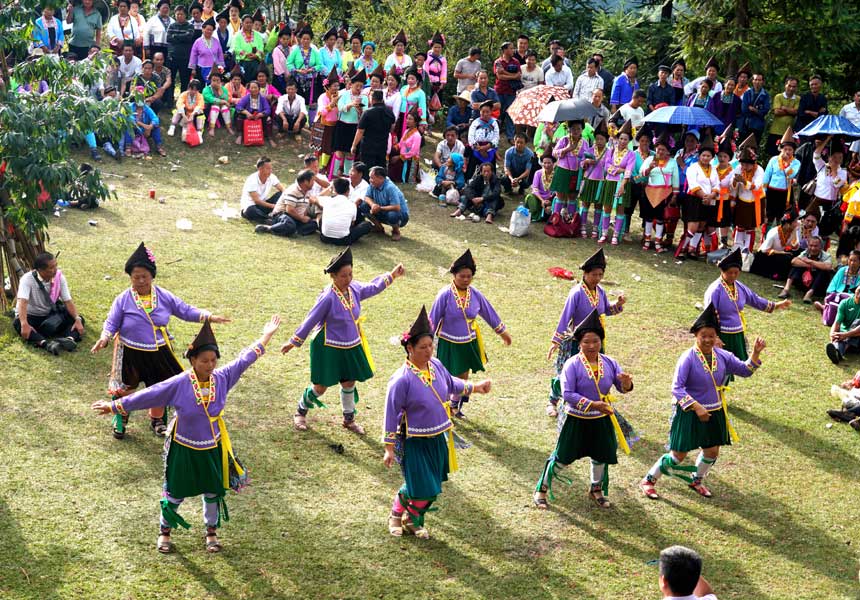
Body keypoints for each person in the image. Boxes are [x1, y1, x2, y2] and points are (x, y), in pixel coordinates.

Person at [91, 315, 280, 554]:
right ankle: (164, 532)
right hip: (183, 447)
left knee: (212, 492)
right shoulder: (179, 383)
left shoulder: (222, 378)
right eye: (204, 361)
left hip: (212, 446)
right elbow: (148, 395)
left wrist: (267, 335)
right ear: (192, 360)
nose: (210, 365)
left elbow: (246, 358)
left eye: (213, 360)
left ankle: (211, 533)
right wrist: (114, 406)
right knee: (175, 493)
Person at [90, 242, 230, 438]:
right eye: (135, 277)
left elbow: (185, 310)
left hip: (158, 351)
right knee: (125, 388)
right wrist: (104, 338)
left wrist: (208, 316)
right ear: (130, 277)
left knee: (160, 387)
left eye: (144, 277)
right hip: (130, 352)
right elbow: (112, 322)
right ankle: (120, 420)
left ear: (152, 277)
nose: (140, 281)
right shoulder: (123, 299)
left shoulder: (163, 296)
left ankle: (157, 420)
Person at [382, 306, 492, 539]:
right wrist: (389, 448)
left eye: (431, 345)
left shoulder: (436, 365)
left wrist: (476, 387)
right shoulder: (401, 380)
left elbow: (452, 384)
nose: (429, 351)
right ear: (409, 348)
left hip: (439, 436)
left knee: (432, 484)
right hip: (414, 440)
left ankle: (412, 520)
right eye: (423, 347)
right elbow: (391, 413)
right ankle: (395, 515)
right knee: (420, 485)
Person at [640, 304, 766, 500]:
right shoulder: (687, 358)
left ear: (717, 337)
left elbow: (745, 370)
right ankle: (649, 480)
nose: (707, 339)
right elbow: (677, 388)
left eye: (711, 336)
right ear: (696, 336)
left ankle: (696, 480)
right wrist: (697, 407)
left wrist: (755, 354)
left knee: (712, 451)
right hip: (688, 411)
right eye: (703, 336)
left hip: (714, 410)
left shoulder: (722, 356)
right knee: (678, 455)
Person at [283, 248, 405, 433]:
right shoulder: (328, 297)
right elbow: (311, 319)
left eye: (350, 274)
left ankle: (349, 419)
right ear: (332, 276)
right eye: (343, 276)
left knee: (349, 382)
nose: (347, 279)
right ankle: (300, 411)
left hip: (351, 344)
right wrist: (294, 341)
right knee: (321, 386)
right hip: (328, 346)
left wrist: (392, 276)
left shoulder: (354, 288)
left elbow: (372, 287)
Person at [534, 309, 634, 509]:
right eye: (586, 341)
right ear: (579, 343)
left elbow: (622, 388)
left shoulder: (610, 363)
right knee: (562, 457)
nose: (591, 345)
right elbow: (568, 394)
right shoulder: (572, 364)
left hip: (601, 419)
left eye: (595, 341)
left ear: (601, 342)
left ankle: (596, 489)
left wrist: (627, 384)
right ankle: (541, 489)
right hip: (577, 419)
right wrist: (594, 404)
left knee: (600, 455)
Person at [428, 250, 511, 418]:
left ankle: (454, 405)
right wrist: (424, 341)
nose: (466, 280)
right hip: (448, 342)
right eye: (462, 276)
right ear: (454, 275)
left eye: (469, 276)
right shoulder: (444, 294)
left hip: (468, 342)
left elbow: (489, 313)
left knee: (463, 375)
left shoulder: (475, 294)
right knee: (445, 376)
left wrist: (503, 334)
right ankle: (441, 408)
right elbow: (433, 318)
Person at [546, 248, 625, 416]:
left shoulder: (601, 291)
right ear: (585, 274)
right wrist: (556, 341)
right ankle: (552, 401)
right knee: (565, 374)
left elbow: (606, 311)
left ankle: (593, 402)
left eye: (600, 275)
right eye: (594, 275)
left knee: (593, 372)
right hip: (578, 342)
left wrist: (617, 304)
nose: (597, 278)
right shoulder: (576, 293)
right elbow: (565, 317)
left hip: (596, 341)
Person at [704, 247, 789, 366]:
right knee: (719, 365)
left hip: (737, 335)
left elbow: (755, 299)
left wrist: (776, 305)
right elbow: (709, 315)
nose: (733, 275)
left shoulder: (740, 287)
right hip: (722, 335)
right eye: (730, 273)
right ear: (722, 271)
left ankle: (723, 384)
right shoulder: (715, 290)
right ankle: (717, 384)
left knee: (734, 366)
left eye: (736, 272)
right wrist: (715, 337)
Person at [13, 252, 84, 355]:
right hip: (31, 316)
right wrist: (24, 323)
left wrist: (77, 319)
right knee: (18, 323)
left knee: (78, 319)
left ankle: (69, 339)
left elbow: (67, 301)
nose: (55, 270)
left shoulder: (59, 277)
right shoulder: (27, 279)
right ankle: (46, 344)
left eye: (56, 265)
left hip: (49, 315)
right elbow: (22, 302)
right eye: (51, 268)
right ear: (40, 270)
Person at [675, 133, 719, 260]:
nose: (705, 158)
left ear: (712, 157)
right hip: (694, 199)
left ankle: (692, 249)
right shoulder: (692, 168)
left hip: (709, 200)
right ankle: (682, 249)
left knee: (701, 225)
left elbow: (717, 184)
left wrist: (711, 195)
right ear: (699, 155)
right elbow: (693, 184)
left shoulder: (713, 169)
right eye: (703, 155)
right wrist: (705, 196)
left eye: (708, 156)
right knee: (692, 227)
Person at [640, 131, 680, 252]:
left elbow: (675, 178)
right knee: (648, 217)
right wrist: (650, 168)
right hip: (650, 191)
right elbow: (642, 173)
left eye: (663, 149)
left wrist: (675, 195)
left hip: (665, 193)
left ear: (668, 151)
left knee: (660, 218)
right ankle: (647, 240)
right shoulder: (650, 159)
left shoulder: (672, 162)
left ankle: (658, 242)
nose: (660, 151)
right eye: (658, 149)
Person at [598, 120, 635, 245]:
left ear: (629, 141)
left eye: (626, 139)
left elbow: (629, 170)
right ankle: (603, 233)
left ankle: (615, 234)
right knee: (607, 207)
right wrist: (617, 170)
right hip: (610, 181)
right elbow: (606, 164)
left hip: (622, 183)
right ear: (618, 139)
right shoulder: (611, 150)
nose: (623, 141)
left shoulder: (631, 155)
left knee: (620, 209)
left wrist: (623, 185)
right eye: (621, 138)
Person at [255, 169, 319, 237]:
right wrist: (301, 218)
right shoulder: (293, 190)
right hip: (282, 214)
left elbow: (304, 207)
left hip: (296, 218)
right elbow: (289, 210)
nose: (314, 183)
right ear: (306, 181)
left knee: (314, 224)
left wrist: (304, 217)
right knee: (289, 223)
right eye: (312, 181)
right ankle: (269, 228)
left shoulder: (308, 192)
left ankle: (292, 230)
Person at [330, 68, 368, 177]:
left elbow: (365, 113)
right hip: (342, 125)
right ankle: (334, 176)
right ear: (351, 84)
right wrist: (351, 105)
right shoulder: (344, 94)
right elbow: (340, 108)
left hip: (355, 127)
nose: (359, 89)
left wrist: (360, 110)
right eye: (357, 86)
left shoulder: (364, 98)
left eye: (361, 86)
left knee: (350, 153)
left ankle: (348, 176)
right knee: (339, 152)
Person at [731, 135, 766, 251]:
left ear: (753, 162)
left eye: (747, 164)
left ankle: (747, 249)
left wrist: (744, 181)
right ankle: (737, 247)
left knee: (750, 226)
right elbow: (732, 185)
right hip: (742, 200)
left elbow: (756, 186)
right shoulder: (738, 169)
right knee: (740, 225)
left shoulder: (759, 170)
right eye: (743, 164)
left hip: (755, 201)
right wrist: (735, 182)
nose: (744, 167)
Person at [552, 119, 591, 220]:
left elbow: (586, 157)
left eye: (578, 129)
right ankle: (556, 218)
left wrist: (585, 162)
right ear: (569, 129)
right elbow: (554, 153)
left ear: (582, 130)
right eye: (573, 128)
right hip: (562, 171)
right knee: (560, 195)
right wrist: (567, 149)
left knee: (572, 197)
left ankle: (570, 219)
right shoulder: (564, 140)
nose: (576, 131)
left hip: (576, 172)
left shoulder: (585, 143)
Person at [806, 136, 847, 230]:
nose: (837, 159)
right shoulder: (822, 166)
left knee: (825, 227)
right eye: (834, 157)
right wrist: (827, 139)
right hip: (816, 200)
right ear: (829, 157)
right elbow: (816, 154)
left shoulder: (843, 172)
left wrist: (834, 171)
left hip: (830, 203)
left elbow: (837, 184)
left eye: (840, 157)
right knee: (809, 223)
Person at [317, 177, 373, 245]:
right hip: (343, 240)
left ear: (334, 190)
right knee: (367, 225)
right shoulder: (352, 205)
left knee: (322, 218)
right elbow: (351, 224)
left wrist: (330, 189)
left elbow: (317, 197)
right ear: (348, 190)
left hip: (324, 238)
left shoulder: (327, 200)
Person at [578, 120, 609, 238]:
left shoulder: (609, 152)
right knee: (585, 204)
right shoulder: (590, 150)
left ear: (606, 140)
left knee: (598, 206)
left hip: (601, 182)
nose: (599, 142)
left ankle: (596, 227)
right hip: (588, 180)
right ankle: (582, 225)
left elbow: (609, 166)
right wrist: (586, 162)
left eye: (602, 139)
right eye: (597, 139)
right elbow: (582, 164)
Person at [360, 166, 410, 241]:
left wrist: (379, 208)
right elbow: (367, 197)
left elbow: (397, 207)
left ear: (380, 178)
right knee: (363, 205)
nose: (370, 180)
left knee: (393, 214)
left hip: (401, 217)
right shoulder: (373, 184)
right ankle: (378, 227)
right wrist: (373, 205)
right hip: (382, 211)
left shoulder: (390, 187)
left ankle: (396, 231)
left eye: (372, 178)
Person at [780, 236, 834, 302]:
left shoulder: (826, 255)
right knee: (796, 266)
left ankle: (809, 294)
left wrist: (811, 261)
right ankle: (786, 289)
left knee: (823, 271)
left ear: (821, 247)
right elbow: (794, 261)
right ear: (808, 245)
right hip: (804, 282)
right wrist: (811, 265)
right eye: (811, 245)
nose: (813, 248)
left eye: (816, 246)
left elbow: (828, 267)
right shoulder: (805, 252)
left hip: (818, 287)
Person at [750, 210, 799, 281]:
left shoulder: (791, 232)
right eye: (795, 222)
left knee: (793, 256)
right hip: (765, 256)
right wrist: (782, 253)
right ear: (788, 224)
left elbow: (795, 247)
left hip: (778, 255)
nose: (797, 224)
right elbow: (764, 250)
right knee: (786, 257)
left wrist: (795, 232)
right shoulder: (774, 233)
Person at [352, 89, 395, 171]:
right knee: (380, 169)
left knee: (367, 169)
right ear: (382, 99)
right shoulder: (389, 112)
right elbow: (392, 128)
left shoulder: (368, 112)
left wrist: (354, 145)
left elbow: (360, 131)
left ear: (372, 99)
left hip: (368, 146)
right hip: (382, 145)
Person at [818, 250, 860, 326]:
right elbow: (833, 285)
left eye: (855, 261)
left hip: (852, 298)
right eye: (850, 260)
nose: (852, 263)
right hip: (838, 295)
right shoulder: (842, 270)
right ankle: (826, 309)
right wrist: (831, 294)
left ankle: (824, 308)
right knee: (833, 300)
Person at [240, 156, 285, 222]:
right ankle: (269, 219)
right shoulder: (252, 180)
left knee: (281, 194)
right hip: (251, 206)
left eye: (271, 168)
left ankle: (269, 217)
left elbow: (283, 189)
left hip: (263, 205)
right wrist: (273, 206)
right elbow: (257, 201)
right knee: (251, 211)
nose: (270, 171)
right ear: (260, 169)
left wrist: (282, 203)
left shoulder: (272, 177)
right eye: (268, 169)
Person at [287, 24, 323, 106]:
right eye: (304, 39)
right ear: (300, 39)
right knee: (298, 103)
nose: (306, 41)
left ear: (310, 40)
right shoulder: (295, 51)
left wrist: (311, 70)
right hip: (298, 81)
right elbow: (289, 63)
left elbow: (319, 65)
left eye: (308, 39)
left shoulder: (314, 52)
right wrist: (297, 70)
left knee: (311, 103)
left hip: (311, 82)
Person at [493, 42, 521, 144]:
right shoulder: (498, 62)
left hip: (511, 92)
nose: (513, 50)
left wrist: (505, 72)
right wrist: (512, 76)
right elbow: (499, 76)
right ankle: (495, 135)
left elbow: (518, 75)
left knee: (510, 114)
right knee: (498, 114)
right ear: (504, 50)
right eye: (511, 48)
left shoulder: (516, 62)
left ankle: (510, 137)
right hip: (499, 91)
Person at [234, 80, 275, 148]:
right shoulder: (246, 98)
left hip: (259, 117)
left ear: (259, 89)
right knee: (239, 116)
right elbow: (238, 106)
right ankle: (240, 135)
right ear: (249, 89)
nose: (253, 89)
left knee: (268, 119)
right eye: (252, 88)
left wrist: (260, 114)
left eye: (255, 87)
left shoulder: (262, 99)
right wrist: (247, 113)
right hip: (248, 117)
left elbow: (268, 110)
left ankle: (269, 137)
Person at [465, 100, 500, 180]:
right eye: (483, 112)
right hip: (477, 148)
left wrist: (488, 146)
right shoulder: (475, 122)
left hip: (489, 148)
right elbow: (471, 136)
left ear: (491, 111)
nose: (485, 114)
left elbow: (496, 136)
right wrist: (478, 148)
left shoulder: (494, 123)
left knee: (491, 167)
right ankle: (468, 181)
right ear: (480, 111)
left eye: (487, 112)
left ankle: (492, 182)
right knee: (472, 167)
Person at [766, 77, 799, 157]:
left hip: (790, 133)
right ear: (785, 85)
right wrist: (790, 111)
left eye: (794, 86)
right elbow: (776, 112)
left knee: (788, 155)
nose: (791, 88)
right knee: (773, 155)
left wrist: (784, 108)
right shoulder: (778, 97)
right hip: (775, 131)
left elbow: (796, 112)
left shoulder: (798, 99)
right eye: (789, 86)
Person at [166, 5, 196, 93]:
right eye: (177, 14)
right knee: (171, 79)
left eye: (181, 14)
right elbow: (168, 38)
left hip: (185, 57)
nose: (179, 16)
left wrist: (175, 36)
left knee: (185, 80)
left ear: (185, 15)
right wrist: (182, 37)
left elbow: (189, 37)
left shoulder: (190, 26)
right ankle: (170, 101)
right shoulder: (171, 26)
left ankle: (183, 98)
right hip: (172, 57)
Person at [827, 286, 860, 364]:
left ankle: (838, 350)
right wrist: (832, 334)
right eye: (859, 290)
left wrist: (846, 334)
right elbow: (837, 322)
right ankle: (837, 350)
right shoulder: (845, 303)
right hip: (844, 335)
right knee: (841, 337)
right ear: (855, 290)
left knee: (857, 323)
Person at [388, 110, 422, 184]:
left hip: (409, 160)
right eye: (407, 118)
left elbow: (413, 152)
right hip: (402, 156)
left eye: (410, 119)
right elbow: (400, 144)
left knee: (394, 176)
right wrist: (392, 148)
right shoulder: (406, 131)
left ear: (415, 122)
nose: (407, 121)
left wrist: (399, 157)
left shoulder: (417, 136)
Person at [231, 14, 266, 84]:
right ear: (242, 23)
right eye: (246, 22)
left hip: (255, 62)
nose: (248, 24)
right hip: (243, 63)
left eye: (250, 23)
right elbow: (236, 48)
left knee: (255, 82)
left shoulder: (258, 35)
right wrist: (246, 54)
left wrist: (256, 55)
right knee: (243, 82)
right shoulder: (237, 36)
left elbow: (261, 47)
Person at [188, 18, 224, 83]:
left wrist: (221, 67)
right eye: (207, 29)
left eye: (211, 30)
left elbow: (220, 54)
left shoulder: (216, 41)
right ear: (203, 29)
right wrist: (193, 69)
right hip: (201, 68)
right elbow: (193, 56)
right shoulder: (198, 42)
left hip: (214, 70)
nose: (209, 31)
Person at [524, 151, 556, 222]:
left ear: (553, 164)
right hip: (538, 198)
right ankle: (539, 215)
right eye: (544, 163)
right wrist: (542, 200)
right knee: (530, 197)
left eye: (549, 163)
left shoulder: (556, 175)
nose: (546, 165)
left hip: (550, 200)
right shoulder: (538, 173)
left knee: (557, 202)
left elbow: (556, 191)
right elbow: (535, 188)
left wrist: (550, 201)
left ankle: (544, 214)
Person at [739, 73, 770, 144]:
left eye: (759, 80)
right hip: (746, 125)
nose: (757, 82)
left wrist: (754, 109)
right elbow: (744, 109)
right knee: (743, 146)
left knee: (754, 147)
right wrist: (758, 111)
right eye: (755, 80)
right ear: (752, 81)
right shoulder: (747, 93)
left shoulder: (765, 95)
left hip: (758, 126)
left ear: (762, 81)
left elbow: (765, 110)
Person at [397, 68, 427, 139]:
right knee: (398, 132)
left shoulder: (421, 93)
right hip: (401, 114)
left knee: (410, 134)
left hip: (411, 116)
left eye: (412, 79)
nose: (410, 80)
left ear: (417, 80)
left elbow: (422, 107)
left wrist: (422, 122)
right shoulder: (403, 88)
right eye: (408, 78)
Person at [202, 70, 233, 136]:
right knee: (215, 106)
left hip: (221, 108)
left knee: (225, 108)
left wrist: (219, 89)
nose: (216, 82)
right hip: (209, 108)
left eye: (218, 80)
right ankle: (212, 128)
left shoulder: (223, 89)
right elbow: (210, 99)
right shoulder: (206, 89)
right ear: (210, 80)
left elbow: (226, 98)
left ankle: (228, 127)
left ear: (220, 81)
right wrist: (223, 101)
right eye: (214, 80)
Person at [839, 91, 860, 157]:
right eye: (858, 96)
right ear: (854, 97)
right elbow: (840, 121)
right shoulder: (846, 108)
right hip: (848, 136)